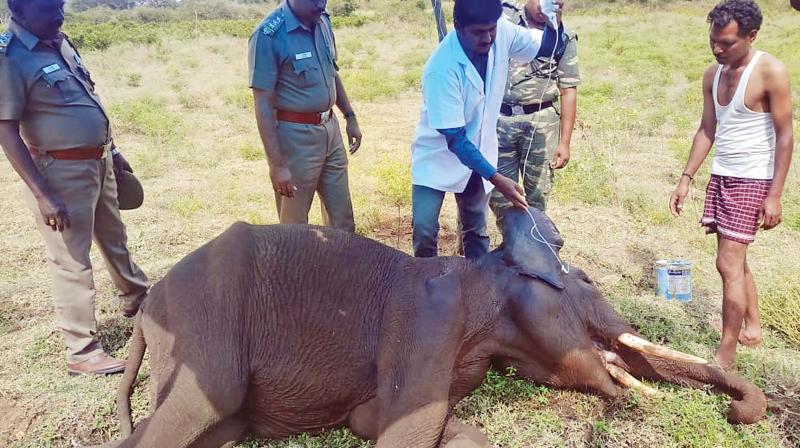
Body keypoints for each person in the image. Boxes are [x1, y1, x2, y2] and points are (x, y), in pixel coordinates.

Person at [0, 0, 150, 375]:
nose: (59, 12)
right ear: (19, 9)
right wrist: (42, 193)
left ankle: (138, 299)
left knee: (115, 239)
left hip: (98, 162)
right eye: (50, 7)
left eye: (61, 4)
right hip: (58, 173)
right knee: (71, 260)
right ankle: (82, 352)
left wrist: (113, 152)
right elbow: (5, 129)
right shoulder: (10, 57)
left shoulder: (61, 42)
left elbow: (89, 99)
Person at [669, 0, 793, 370]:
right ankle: (751, 328)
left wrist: (775, 196)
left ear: (751, 36)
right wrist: (686, 178)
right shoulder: (713, 74)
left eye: (726, 43)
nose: (717, 49)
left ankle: (727, 349)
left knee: (728, 262)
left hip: (753, 178)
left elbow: (786, 137)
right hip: (723, 175)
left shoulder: (770, 71)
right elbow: (709, 129)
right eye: (713, 41)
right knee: (736, 259)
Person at [411, 0, 542, 259]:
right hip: (437, 157)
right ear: (458, 26)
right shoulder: (441, 68)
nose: (488, 38)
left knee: (477, 230)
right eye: (479, 32)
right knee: (425, 230)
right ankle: (423, 290)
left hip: (478, 152)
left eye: (491, 29)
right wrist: (497, 178)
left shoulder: (500, 31)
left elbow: (538, 44)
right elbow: (456, 140)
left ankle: (477, 288)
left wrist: (552, 19)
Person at [249, 0, 362, 232]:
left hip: (331, 131)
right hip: (295, 140)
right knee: (294, 230)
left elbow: (332, 73)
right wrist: (277, 165)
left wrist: (349, 116)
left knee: (343, 222)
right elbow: (263, 104)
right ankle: (296, 269)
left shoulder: (322, 21)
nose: (321, 3)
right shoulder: (268, 35)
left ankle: (337, 268)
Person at [489, 0, 580, 229]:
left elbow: (568, 90)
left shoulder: (562, 37)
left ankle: (533, 246)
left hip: (541, 123)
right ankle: (511, 243)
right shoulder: (503, 22)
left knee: (537, 195)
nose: (545, 7)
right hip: (501, 120)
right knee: (499, 195)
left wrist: (565, 142)